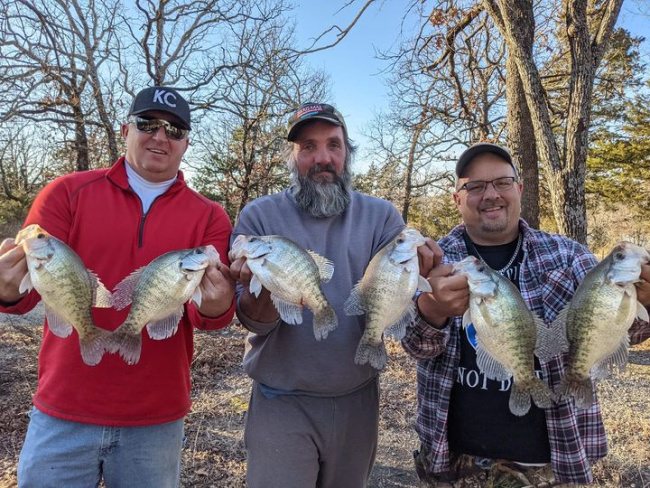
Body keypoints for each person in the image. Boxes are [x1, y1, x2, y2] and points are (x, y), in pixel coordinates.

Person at [0, 86, 236, 487]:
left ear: (187, 144)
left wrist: (218, 303)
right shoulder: (66, 193)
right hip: (63, 409)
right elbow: (25, 297)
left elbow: (207, 317)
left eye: (174, 130)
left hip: (156, 418)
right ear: (125, 129)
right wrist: (7, 288)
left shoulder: (210, 216)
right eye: (148, 124)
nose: (160, 137)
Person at [402, 142, 650, 487]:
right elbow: (417, 347)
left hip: (549, 462)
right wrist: (431, 311)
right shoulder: (432, 261)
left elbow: (624, 333)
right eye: (474, 186)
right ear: (457, 198)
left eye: (502, 182)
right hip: (453, 460)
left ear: (519, 188)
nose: (491, 194)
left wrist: (646, 304)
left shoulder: (568, 256)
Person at [228, 102, 440, 488]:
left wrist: (421, 284)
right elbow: (252, 319)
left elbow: (399, 307)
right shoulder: (258, 218)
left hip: (358, 398)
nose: (322, 158)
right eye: (308, 146)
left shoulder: (382, 217)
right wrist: (265, 285)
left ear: (348, 152)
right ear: (292, 157)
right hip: (280, 400)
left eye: (333, 145)